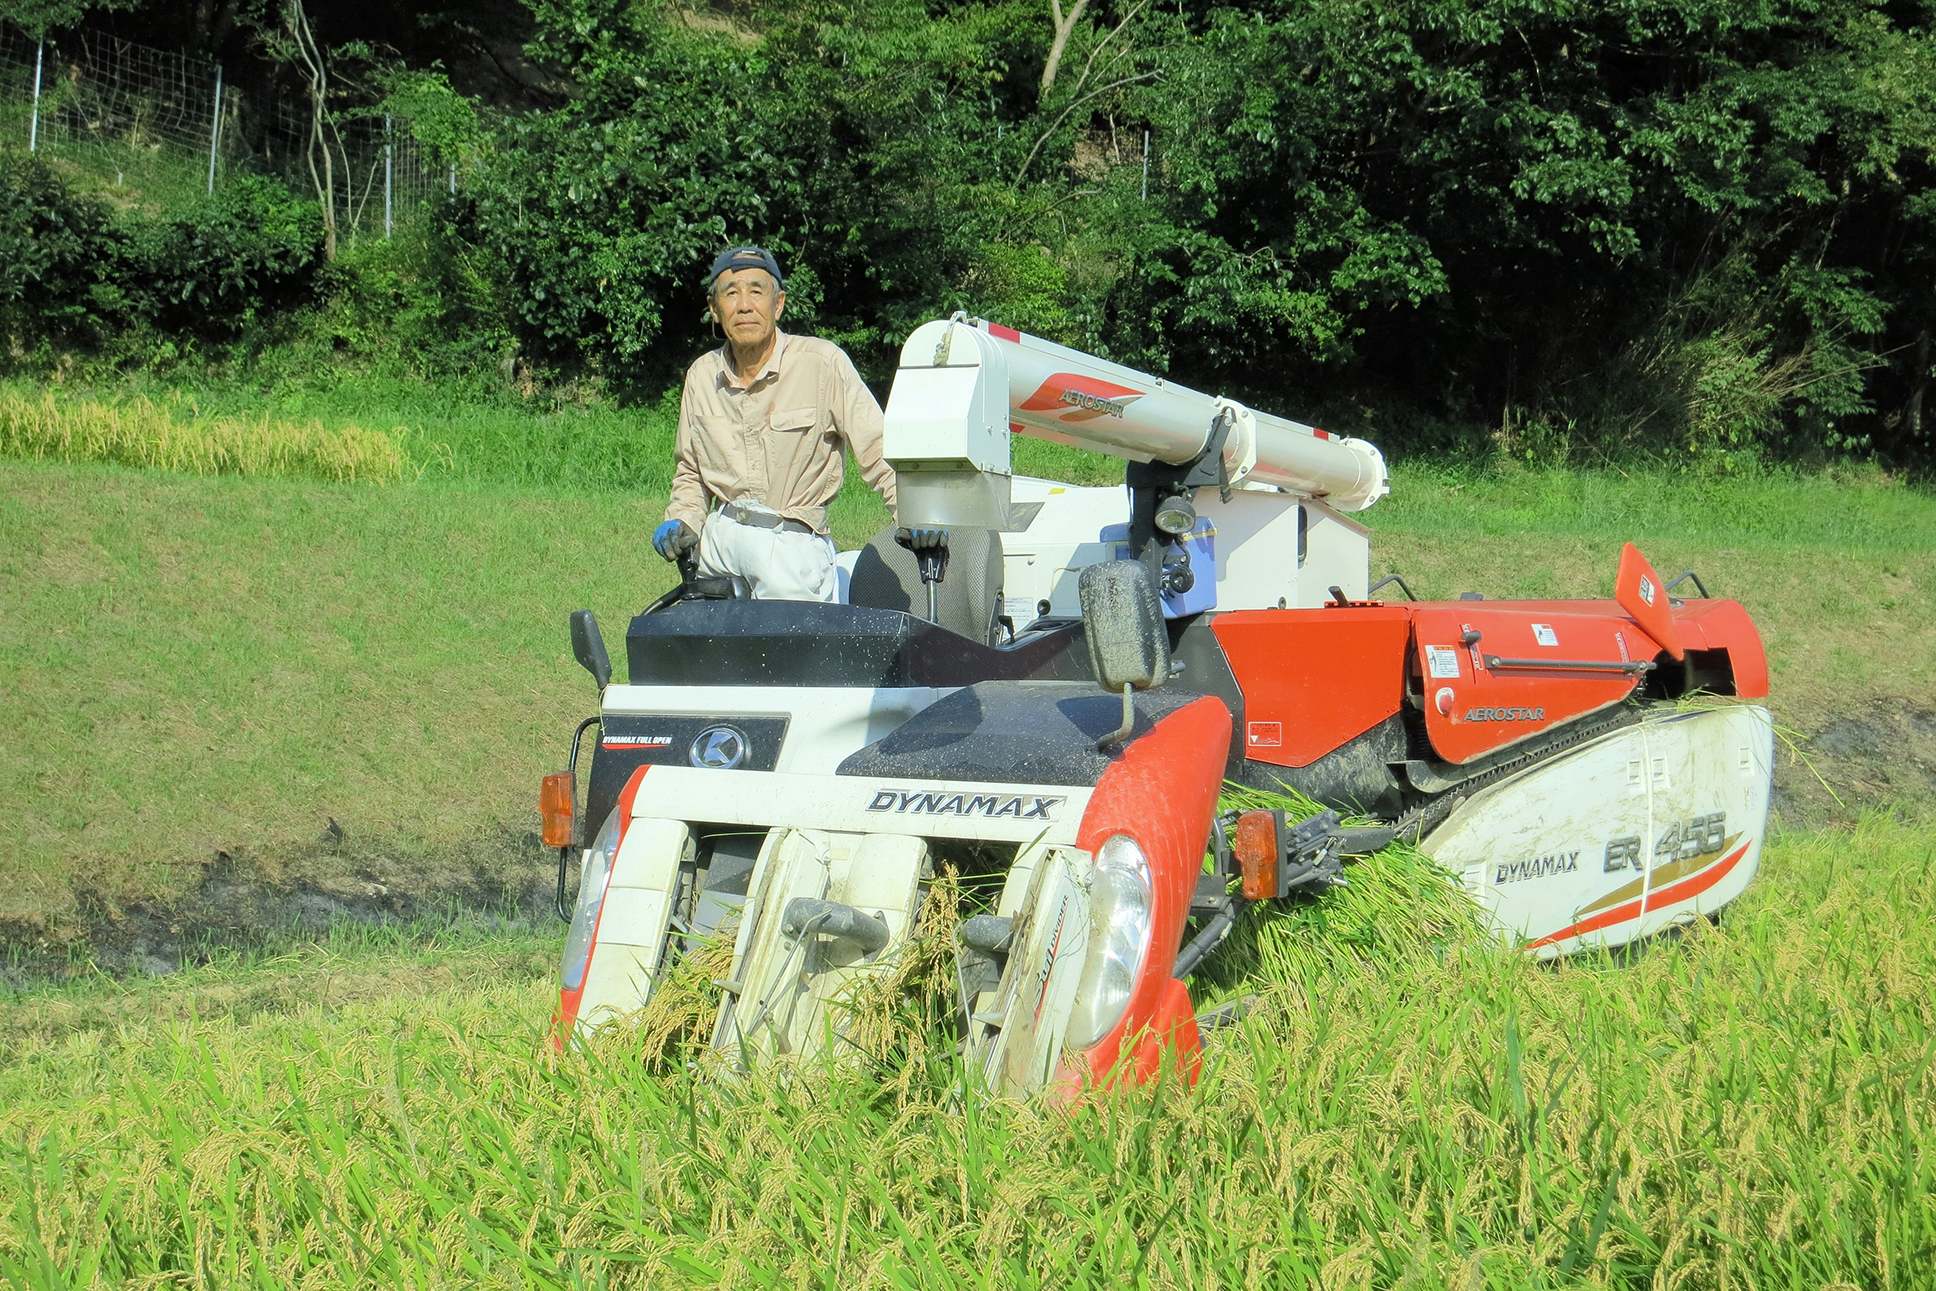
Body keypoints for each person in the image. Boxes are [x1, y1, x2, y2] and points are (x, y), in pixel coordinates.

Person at [652, 245, 896, 601]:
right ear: (714, 309)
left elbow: (880, 450)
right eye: (731, 293)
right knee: (707, 651)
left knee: (789, 652)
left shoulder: (822, 363)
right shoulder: (702, 376)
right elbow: (691, 472)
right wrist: (684, 519)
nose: (745, 305)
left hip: (791, 545)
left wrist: (915, 517)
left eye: (756, 291)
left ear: (777, 303)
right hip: (721, 542)